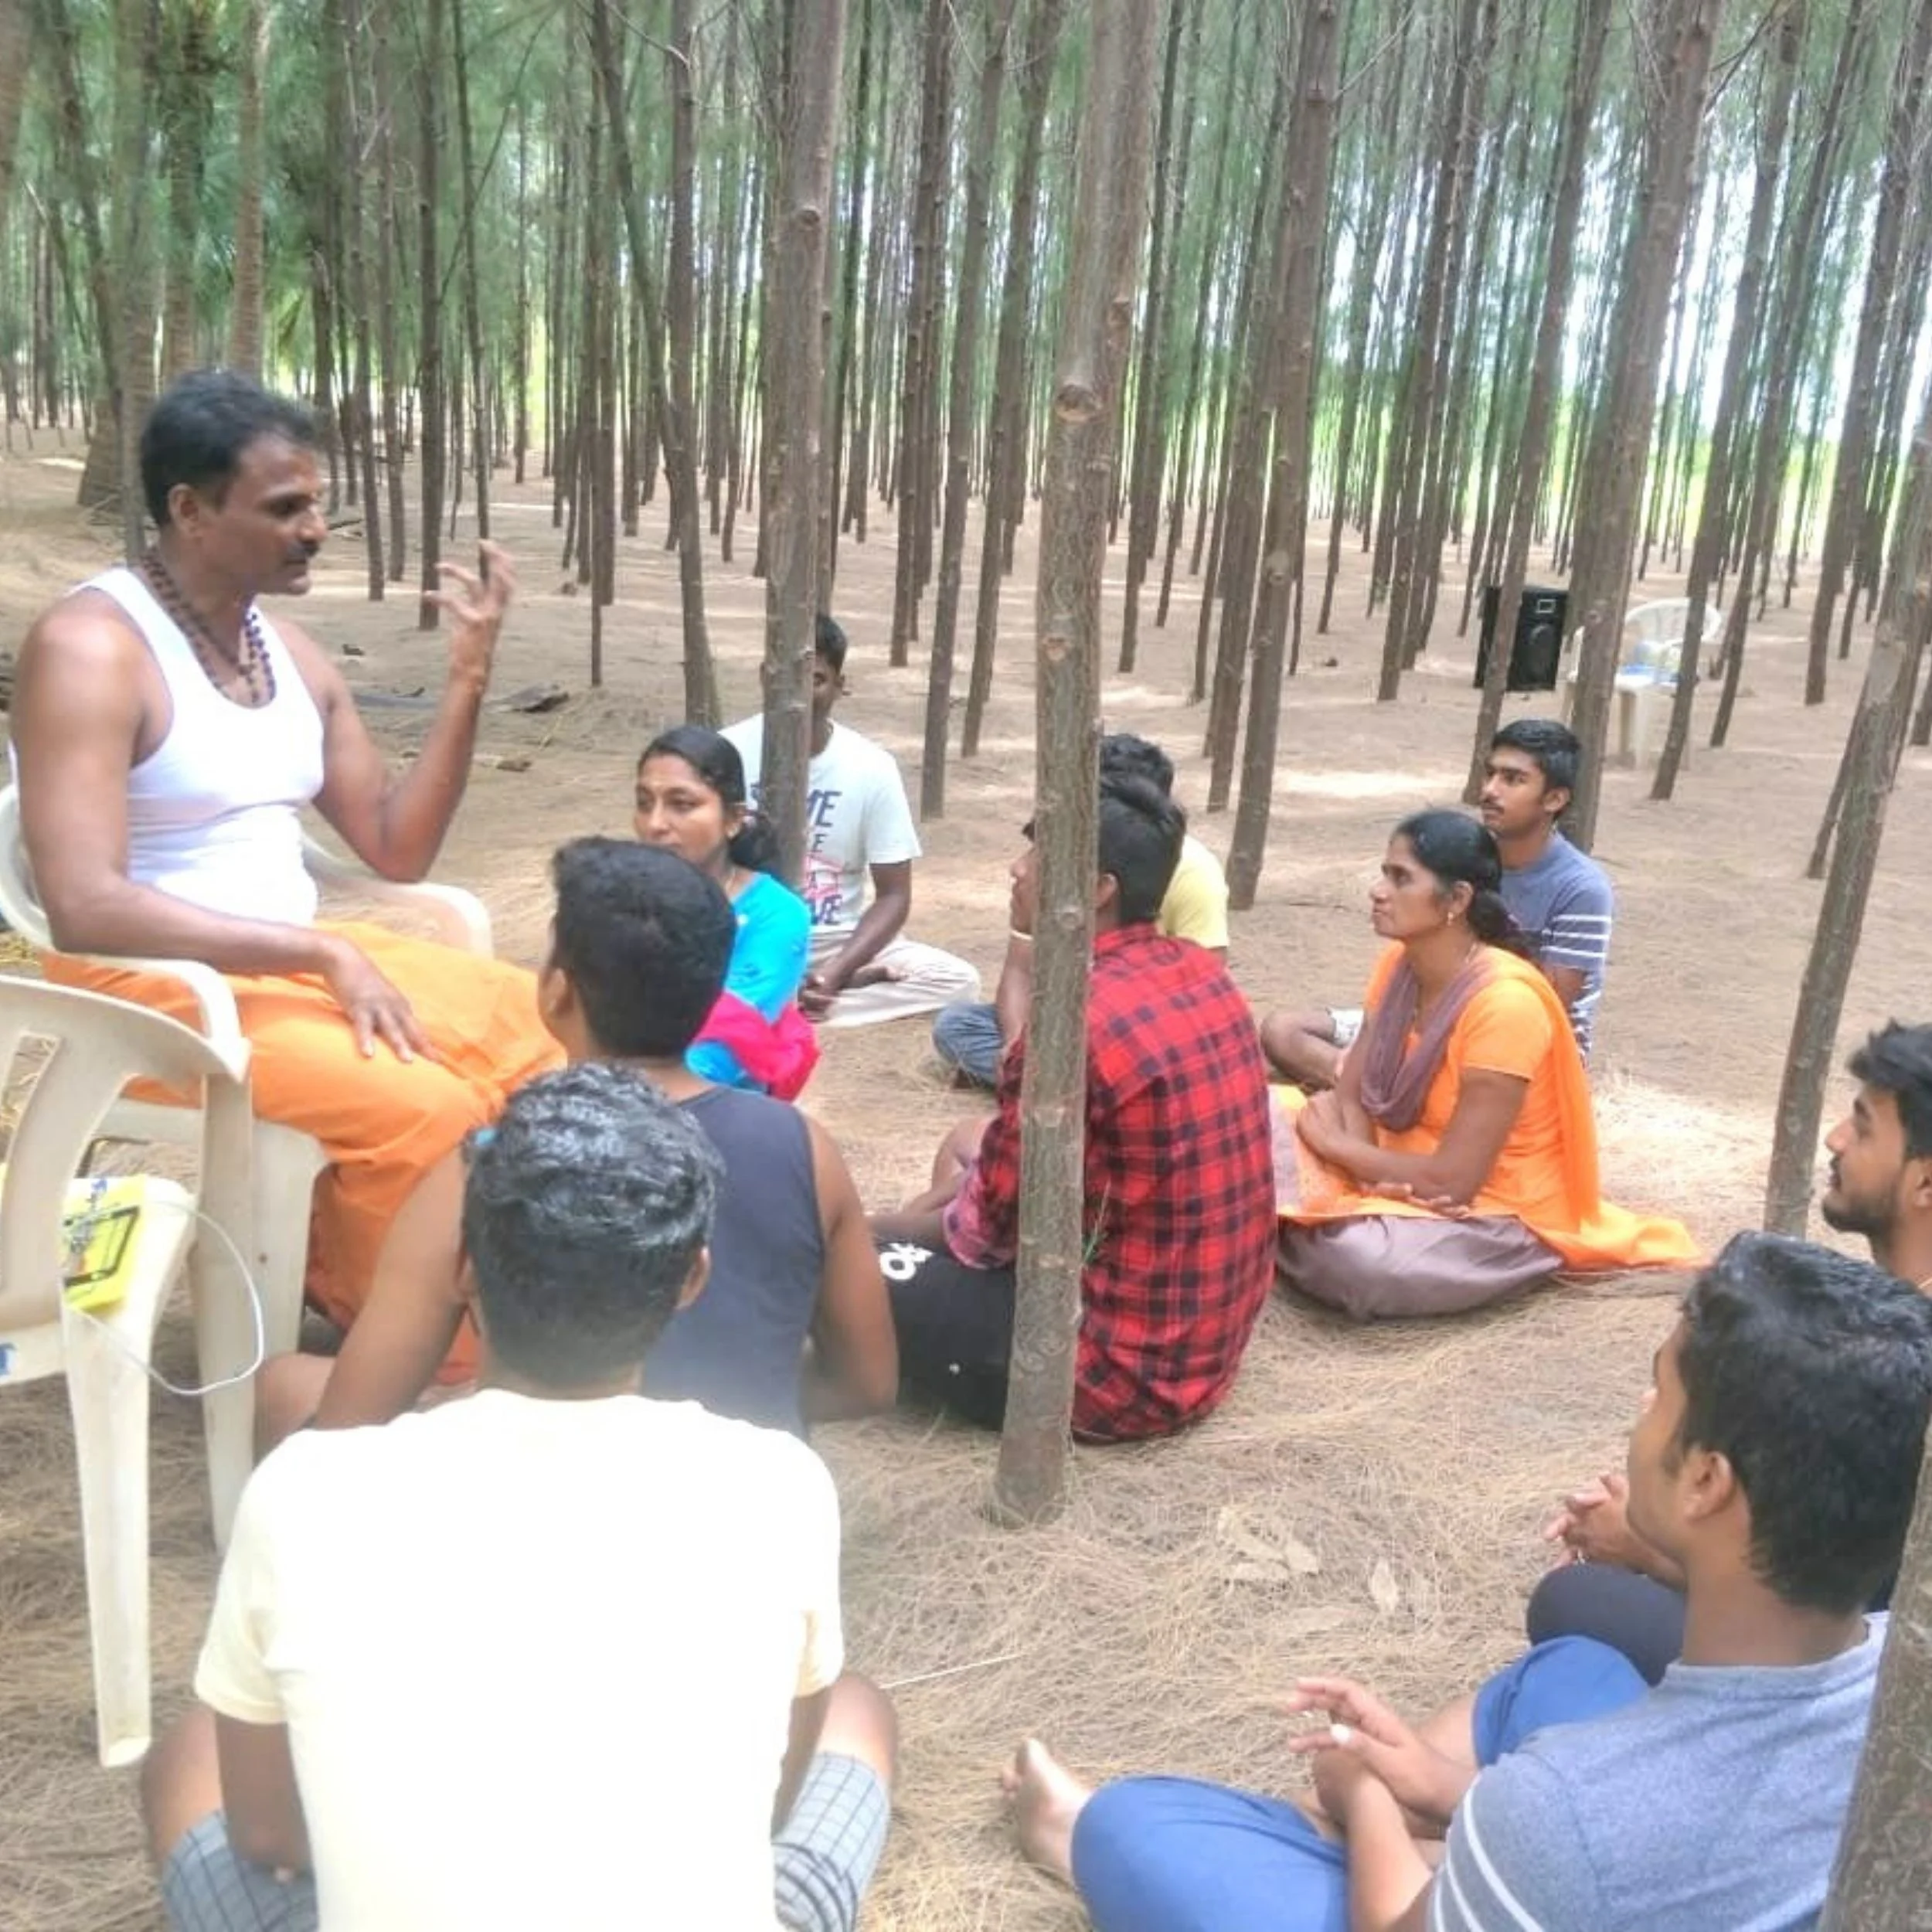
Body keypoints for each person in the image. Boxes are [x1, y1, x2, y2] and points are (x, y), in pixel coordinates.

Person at [141, 1063, 899, 1932]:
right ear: (691, 1278)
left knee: (191, 1755)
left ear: (464, 1268)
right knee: (856, 1710)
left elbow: (269, 1831)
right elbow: (764, 1812)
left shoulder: (302, 1490)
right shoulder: (779, 1485)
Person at [1002, 1231, 1932, 1932]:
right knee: (1570, 1664)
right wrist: (1454, 1798)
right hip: (1617, 1846)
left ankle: (1082, 1835)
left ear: (1704, 1481)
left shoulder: (1570, 1807)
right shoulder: (1901, 1677)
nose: (1641, 1409)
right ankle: (1467, 1854)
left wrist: (1366, 1791)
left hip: (1576, 1843)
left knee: (1134, 1824)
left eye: (1660, 1390)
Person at [9, 369, 563, 1336]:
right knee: (426, 1108)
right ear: (190, 509)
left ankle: (425, 1284)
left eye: (315, 503)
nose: (314, 528)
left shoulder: (291, 653)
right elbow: (85, 906)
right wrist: (320, 951)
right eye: (284, 507)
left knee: (550, 1036)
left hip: (287, 963)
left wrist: (467, 680)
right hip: (144, 990)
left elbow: (396, 846)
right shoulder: (91, 648)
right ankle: (409, 1344)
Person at [253, 838, 895, 1442]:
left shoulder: (487, 1164)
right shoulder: (807, 1148)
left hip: (529, 1481)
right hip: (732, 1489)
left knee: (282, 1386)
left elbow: (352, 1424)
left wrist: (452, 1407)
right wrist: (730, 1402)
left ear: (555, 990)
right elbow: (867, 1383)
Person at [871, 771, 1275, 1442]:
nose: (1017, 868)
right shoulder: (1203, 972)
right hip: (1200, 1349)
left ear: (1098, 888)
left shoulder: (1070, 1025)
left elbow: (984, 1234)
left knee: (841, 1265)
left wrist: (871, 1230)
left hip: (1107, 1374)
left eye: (1036, 853)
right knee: (969, 1141)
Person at [1531, 1018, 1932, 1681]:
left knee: (1572, 1602)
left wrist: (1651, 1545)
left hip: (1861, 1676)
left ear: (1926, 1184)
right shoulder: (1885, 1310)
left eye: (1863, 1128)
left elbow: (1846, 1611)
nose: (1835, 1138)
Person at [1274, 809, 1695, 1321]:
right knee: (1256, 1114)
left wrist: (1338, 1149)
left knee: (1360, 1265)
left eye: (1401, 878)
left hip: (1494, 1210)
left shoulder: (1505, 1006)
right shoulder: (1397, 965)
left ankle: (1289, 1229)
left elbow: (1454, 1183)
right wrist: (1367, 1181)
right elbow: (1351, 1095)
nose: (1378, 891)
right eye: (1385, 874)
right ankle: (1320, 1221)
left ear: (1457, 900)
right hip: (1393, 1170)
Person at [1262, 719, 1614, 1088]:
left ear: (1555, 799)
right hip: (1428, 1011)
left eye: (1512, 779)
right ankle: (1366, 1083)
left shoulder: (1582, 888)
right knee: (1282, 1032)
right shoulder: (1467, 854)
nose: (1490, 790)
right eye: (1490, 774)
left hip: (1515, 1043)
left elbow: (1546, 1003)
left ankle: (1368, 1087)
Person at [931, 732, 1230, 1089]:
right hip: (1068, 1017)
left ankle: (1055, 1086)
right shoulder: (1067, 860)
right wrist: (1015, 1046)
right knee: (957, 1025)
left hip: (1139, 1029)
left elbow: (1198, 1002)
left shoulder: (1194, 874)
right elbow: (1019, 970)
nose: (1017, 868)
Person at [723, 613, 979, 1027]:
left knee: (957, 980)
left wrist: (836, 971)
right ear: (765, 677)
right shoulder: (727, 752)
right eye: (787, 679)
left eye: (817, 679)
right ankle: (786, 999)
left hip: (836, 939)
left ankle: (795, 1001)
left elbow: (894, 896)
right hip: (745, 928)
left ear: (839, 686)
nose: (801, 694)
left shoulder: (872, 767)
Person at [635, 723, 817, 1097]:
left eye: (681, 805)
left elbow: (720, 1052)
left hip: (717, 1111)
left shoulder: (775, 916)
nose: (655, 824)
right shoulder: (621, 898)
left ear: (733, 819)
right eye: (644, 802)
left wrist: (612, 1099)